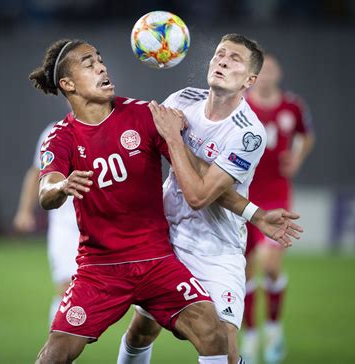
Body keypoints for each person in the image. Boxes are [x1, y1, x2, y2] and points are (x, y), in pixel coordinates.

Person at [29, 39, 301, 364]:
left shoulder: (145, 115)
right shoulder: (61, 136)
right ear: (68, 84)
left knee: (216, 336)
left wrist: (253, 214)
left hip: (164, 256)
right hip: (102, 268)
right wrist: (60, 189)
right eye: (89, 63)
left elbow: (202, 185)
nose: (101, 66)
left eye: (100, 59)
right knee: (59, 353)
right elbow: (47, 189)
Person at [117, 34, 301, 364]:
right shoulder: (182, 99)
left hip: (216, 249)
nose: (222, 61)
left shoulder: (248, 132)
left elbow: (200, 194)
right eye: (219, 54)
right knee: (141, 330)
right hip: (167, 239)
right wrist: (257, 215)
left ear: (250, 80)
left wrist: (174, 137)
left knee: (225, 343)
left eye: (234, 59)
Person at [241, 54, 315, 364]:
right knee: (244, 271)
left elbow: (306, 135)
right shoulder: (242, 105)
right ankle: (251, 333)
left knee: (270, 264)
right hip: (244, 196)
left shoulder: (292, 106)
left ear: (279, 73)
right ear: (253, 76)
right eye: (262, 70)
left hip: (276, 196)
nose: (268, 75)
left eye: (272, 69)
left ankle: (272, 328)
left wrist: (298, 157)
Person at [13, 122, 79, 323]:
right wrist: (24, 211)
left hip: (107, 225)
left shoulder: (113, 128)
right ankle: (58, 350)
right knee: (67, 290)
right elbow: (36, 173)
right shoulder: (54, 133)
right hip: (67, 225)